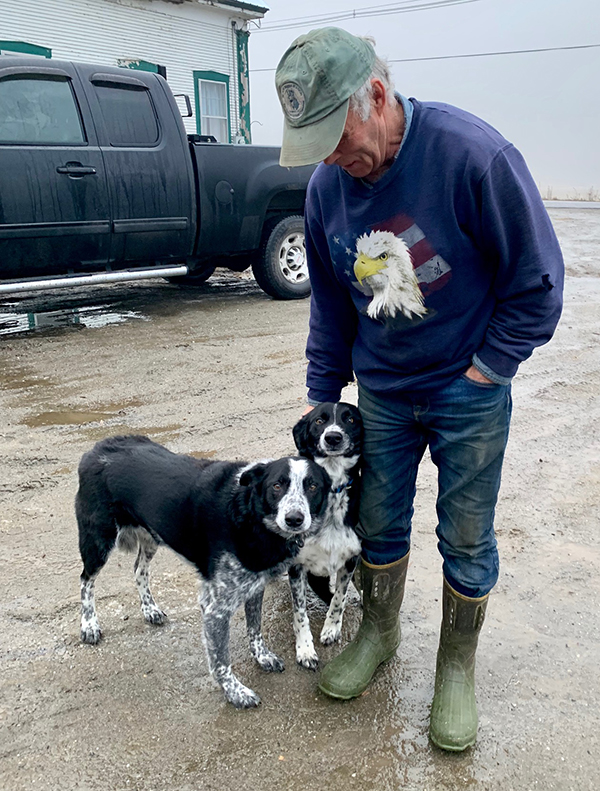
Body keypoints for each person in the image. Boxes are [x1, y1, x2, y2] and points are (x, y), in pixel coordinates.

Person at [275, 27, 564, 752]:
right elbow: (332, 304)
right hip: (383, 393)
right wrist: (322, 389)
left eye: (336, 136)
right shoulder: (324, 191)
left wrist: (487, 369)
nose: (333, 159)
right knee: (378, 522)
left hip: (467, 387)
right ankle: (379, 630)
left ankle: (455, 664)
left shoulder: (472, 156)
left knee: (466, 535)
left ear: (376, 94)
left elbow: (538, 283)